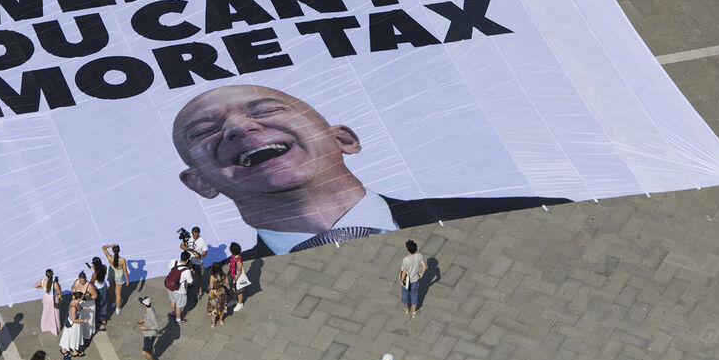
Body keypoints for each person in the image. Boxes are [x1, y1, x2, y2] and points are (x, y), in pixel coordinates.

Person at [172, 85, 568, 257]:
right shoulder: (215, 288)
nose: (240, 128)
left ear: (345, 138)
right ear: (199, 181)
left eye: (265, 111)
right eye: (205, 132)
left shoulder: (539, 213)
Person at [399, 239, 426, 318]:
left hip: (406, 280)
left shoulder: (406, 259)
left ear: (407, 249)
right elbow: (424, 266)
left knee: (405, 294)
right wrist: (421, 273)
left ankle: (407, 310)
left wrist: (401, 281)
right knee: (414, 295)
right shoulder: (419, 256)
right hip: (415, 280)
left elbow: (404, 272)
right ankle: (414, 312)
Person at [101, 243, 130, 314]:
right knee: (118, 293)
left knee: (111, 289)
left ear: (113, 251)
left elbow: (103, 248)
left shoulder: (110, 258)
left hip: (111, 275)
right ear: (119, 251)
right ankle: (117, 308)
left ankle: (113, 302)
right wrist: (127, 279)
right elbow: (125, 271)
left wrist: (110, 246)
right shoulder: (122, 260)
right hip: (119, 277)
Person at [58, 289, 87, 359]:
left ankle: (65, 349)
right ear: (79, 298)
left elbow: (78, 307)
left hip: (71, 324)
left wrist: (84, 308)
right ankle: (73, 351)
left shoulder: (74, 301)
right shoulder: (73, 307)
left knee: (68, 336)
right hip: (73, 325)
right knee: (73, 337)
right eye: (82, 296)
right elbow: (74, 319)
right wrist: (83, 320)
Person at [180, 226, 209, 296]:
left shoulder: (202, 241)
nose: (195, 237)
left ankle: (200, 290)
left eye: (197, 236)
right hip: (188, 260)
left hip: (198, 262)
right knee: (187, 274)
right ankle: (188, 285)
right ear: (192, 233)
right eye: (194, 236)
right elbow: (181, 246)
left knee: (200, 277)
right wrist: (190, 250)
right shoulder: (188, 236)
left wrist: (200, 256)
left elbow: (205, 252)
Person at [166, 252, 193, 323]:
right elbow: (190, 282)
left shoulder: (173, 262)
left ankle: (173, 313)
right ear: (187, 260)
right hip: (180, 290)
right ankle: (178, 319)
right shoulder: (186, 271)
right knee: (179, 305)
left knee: (172, 300)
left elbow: (169, 268)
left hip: (170, 286)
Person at [35, 269, 62, 337]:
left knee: (46, 312)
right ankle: (54, 328)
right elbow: (59, 292)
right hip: (53, 299)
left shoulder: (42, 281)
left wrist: (44, 288)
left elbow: (36, 286)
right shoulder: (54, 284)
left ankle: (45, 326)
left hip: (46, 297)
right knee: (55, 314)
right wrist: (58, 284)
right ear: (52, 274)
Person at [137, 296, 160, 360]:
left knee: (144, 352)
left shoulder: (151, 313)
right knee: (149, 349)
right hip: (147, 334)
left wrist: (146, 328)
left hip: (150, 335)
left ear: (144, 305)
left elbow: (156, 326)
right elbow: (148, 318)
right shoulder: (149, 310)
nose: (141, 303)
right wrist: (143, 320)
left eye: (141, 303)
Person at [206, 263, 228, 328]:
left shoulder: (212, 277)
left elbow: (211, 287)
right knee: (222, 306)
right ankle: (221, 320)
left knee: (213, 308)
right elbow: (227, 283)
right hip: (222, 292)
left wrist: (209, 286)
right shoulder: (224, 274)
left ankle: (213, 323)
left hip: (214, 294)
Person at [226, 242, 246, 312]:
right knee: (233, 289)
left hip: (236, 277)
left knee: (239, 291)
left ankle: (240, 303)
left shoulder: (238, 260)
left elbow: (239, 271)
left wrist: (235, 279)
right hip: (231, 275)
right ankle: (234, 300)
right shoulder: (233, 256)